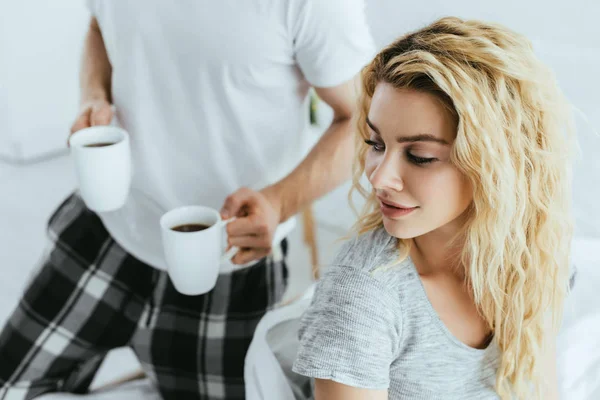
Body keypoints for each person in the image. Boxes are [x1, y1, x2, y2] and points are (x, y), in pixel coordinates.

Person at [0, 1, 375, 399]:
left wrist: (280, 201)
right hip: (108, 232)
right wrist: (94, 96)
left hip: (230, 262)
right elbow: (100, 25)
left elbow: (364, 119)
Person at [293, 17, 575, 400]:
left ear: (498, 165)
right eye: (376, 143)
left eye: (420, 156)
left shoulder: (533, 253)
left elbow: (539, 388)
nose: (379, 178)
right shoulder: (364, 297)